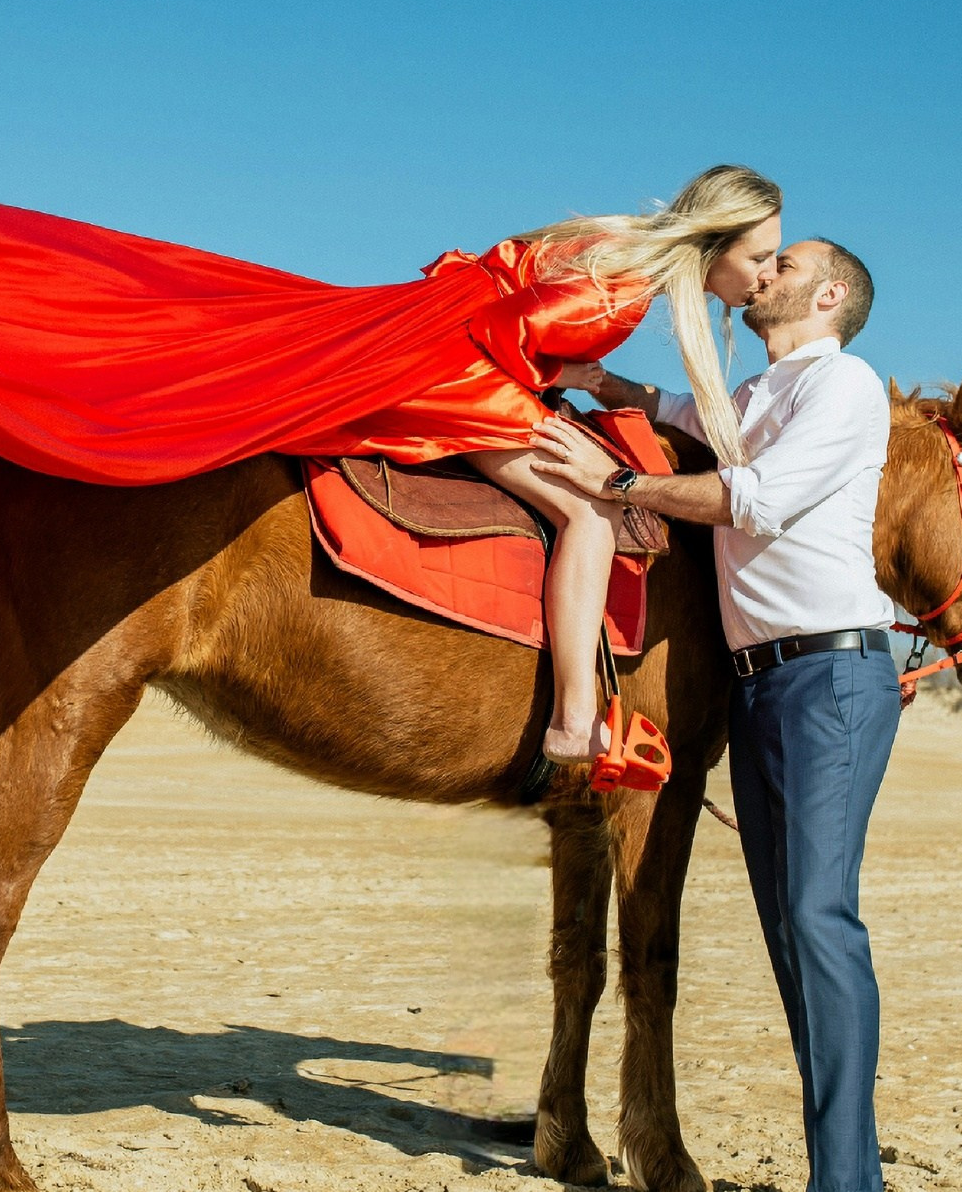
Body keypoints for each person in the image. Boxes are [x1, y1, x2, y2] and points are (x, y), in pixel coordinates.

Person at [528, 236, 899, 1192]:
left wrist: (617, 485)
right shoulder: (750, 393)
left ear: (826, 296)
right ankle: (839, 1181)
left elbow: (757, 500)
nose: (761, 273)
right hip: (762, 683)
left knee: (821, 923)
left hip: (831, 676)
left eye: (785, 265)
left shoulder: (847, 385)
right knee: (791, 930)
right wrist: (595, 380)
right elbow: (678, 413)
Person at [297, 164, 782, 766]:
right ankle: (574, 721)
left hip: (459, 358)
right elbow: (497, 330)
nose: (767, 275)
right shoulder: (623, 290)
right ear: (716, 240)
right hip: (459, 374)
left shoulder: (614, 251)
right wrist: (557, 374)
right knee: (593, 511)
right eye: (761, 256)